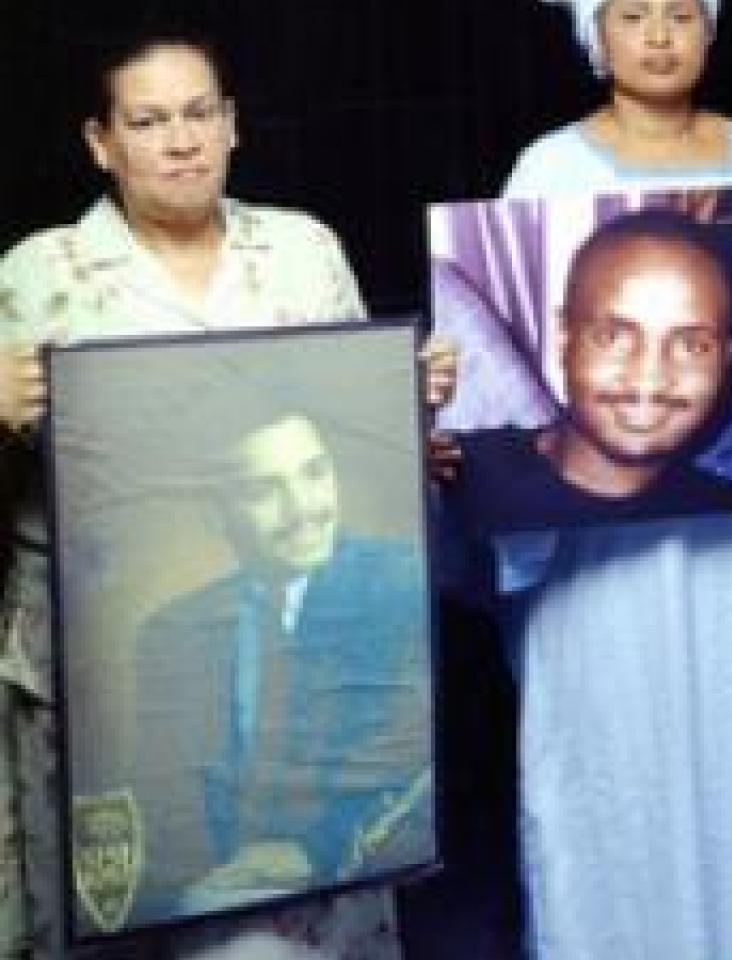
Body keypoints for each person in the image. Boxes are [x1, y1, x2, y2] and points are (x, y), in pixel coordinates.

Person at [449, 1, 732, 957]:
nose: (657, 35)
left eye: (680, 12)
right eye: (631, 13)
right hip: (593, 570)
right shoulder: (547, 171)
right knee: (603, 777)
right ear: (591, 36)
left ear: (712, 28)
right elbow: (506, 399)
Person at [0, 31, 399, 960]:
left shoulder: (304, 252)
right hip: (98, 667)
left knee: (305, 911)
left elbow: (363, 454)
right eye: (148, 120)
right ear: (103, 143)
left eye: (197, 114)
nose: (180, 141)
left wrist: (407, 404)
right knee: (112, 912)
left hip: (306, 662)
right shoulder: (34, 275)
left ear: (230, 126)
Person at [129, 411, 429, 925]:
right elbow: (167, 799)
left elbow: (419, 762)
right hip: (224, 896)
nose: (302, 509)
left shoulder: (401, 581)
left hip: (355, 878)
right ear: (216, 514)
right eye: (264, 490)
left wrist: (314, 851)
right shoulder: (173, 631)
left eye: (314, 473)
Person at [454, 208, 732, 533]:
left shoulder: (724, 513)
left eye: (692, 345)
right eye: (612, 337)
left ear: (725, 360)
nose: (649, 377)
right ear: (564, 339)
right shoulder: (453, 486)